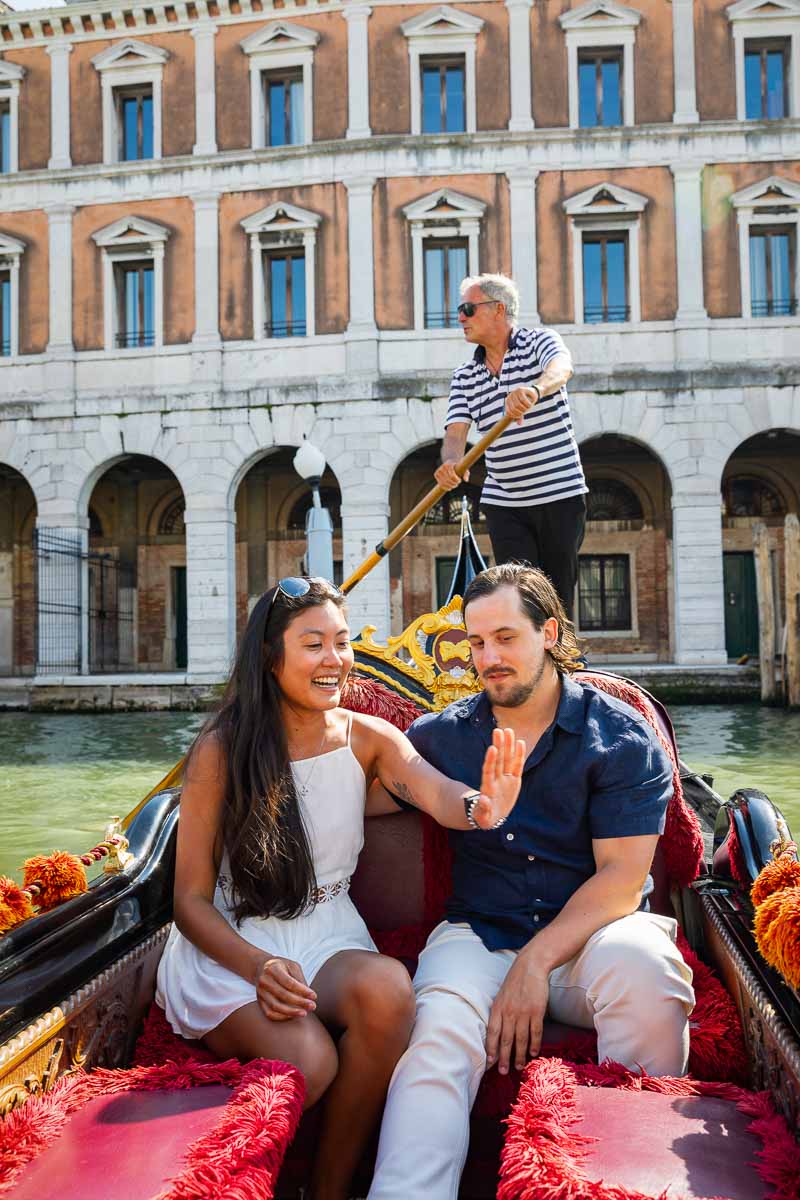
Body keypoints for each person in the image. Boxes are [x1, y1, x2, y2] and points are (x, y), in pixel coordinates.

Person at [155, 576, 525, 1200]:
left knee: (389, 991)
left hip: (328, 932)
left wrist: (481, 807)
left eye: (343, 642)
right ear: (271, 659)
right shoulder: (222, 751)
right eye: (314, 645)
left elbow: (430, 788)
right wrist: (258, 965)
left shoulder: (365, 737)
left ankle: (328, 1189)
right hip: (235, 946)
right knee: (312, 1061)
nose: (336, 660)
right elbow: (189, 901)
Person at [367, 563, 696, 1200]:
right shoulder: (440, 738)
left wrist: (537, 964)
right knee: (437, 1036)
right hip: (478, 937)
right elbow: (365, 794)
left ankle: (627, 1181)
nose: (488, 657)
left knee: (648, 968)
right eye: (476, 643)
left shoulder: (622, 739)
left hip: (592, 940)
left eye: (506, 638)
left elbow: (624, 880)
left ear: (548, 632)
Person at [434, 273, 587, 621]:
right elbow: (456, 432)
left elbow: (561, 368)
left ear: (498, 309)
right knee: (520, 595)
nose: (461, 317)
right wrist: (451, 463)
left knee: (558, 595)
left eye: (468, 309)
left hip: (559, 492)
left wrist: (533, 389)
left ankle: (565, 667)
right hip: (505, 501)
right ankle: (527, 670)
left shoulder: (539, 342)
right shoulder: (464, 375)